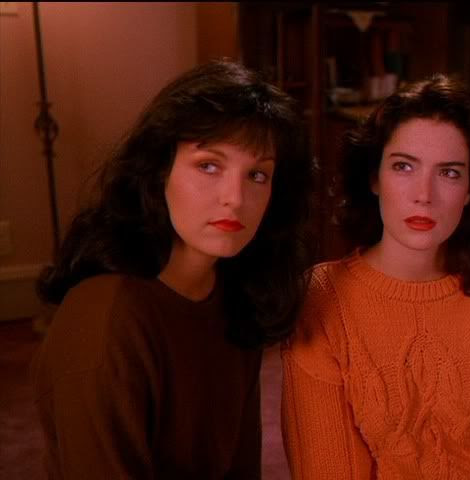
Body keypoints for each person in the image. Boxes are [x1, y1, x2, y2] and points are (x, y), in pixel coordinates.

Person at [31, 60, 313, 479]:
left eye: (257, 174)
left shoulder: (238, 294)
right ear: (159, 170)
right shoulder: (107, 318)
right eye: (209, 165)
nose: (235, 198)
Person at [280, 74, 470, 479]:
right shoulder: (323, 298)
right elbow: (327, 469)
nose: (424, 194)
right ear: (374, 178)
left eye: (449, 173)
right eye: (404, 166)